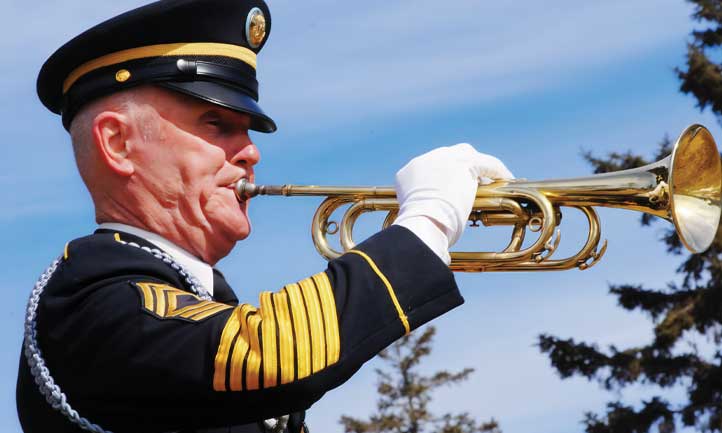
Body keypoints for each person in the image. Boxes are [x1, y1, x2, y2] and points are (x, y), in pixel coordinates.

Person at [16, 0, 513, 432]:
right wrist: (428, 220)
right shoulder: (83, 302)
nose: (250, 152)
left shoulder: (192, 300)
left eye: (248, 131)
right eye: (217, 124)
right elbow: (269, 352)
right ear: (118, 143)